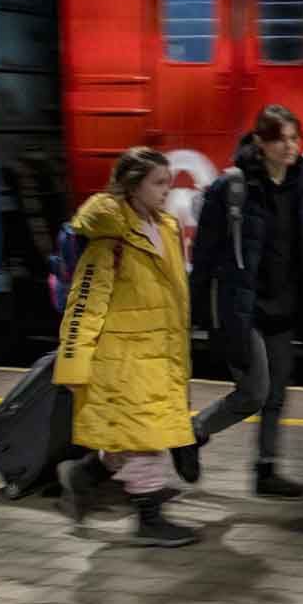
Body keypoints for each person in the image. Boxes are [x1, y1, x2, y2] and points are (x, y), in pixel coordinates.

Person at [179, 105, 303, 499]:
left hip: (285, 305)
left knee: (276, 394)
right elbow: (204, 256)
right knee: (253, 391)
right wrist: (196, 313)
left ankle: (265, 471)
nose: (289, 147)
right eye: (280, 139)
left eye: (294, 138)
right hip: (244, 307)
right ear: (260, 142)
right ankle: (193, 432)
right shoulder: (230, 188)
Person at [54, 148, 198, 547]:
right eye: (159, 183)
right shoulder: (110, 239)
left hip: (159, 352)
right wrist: (73, 364)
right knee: (145, 440)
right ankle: (149, 520)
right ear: (133, 185)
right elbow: (85, 304)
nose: (167, 190)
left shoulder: (165, 227)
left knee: (135, 435)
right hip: (124, 358)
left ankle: (83, 474)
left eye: (169, 182)